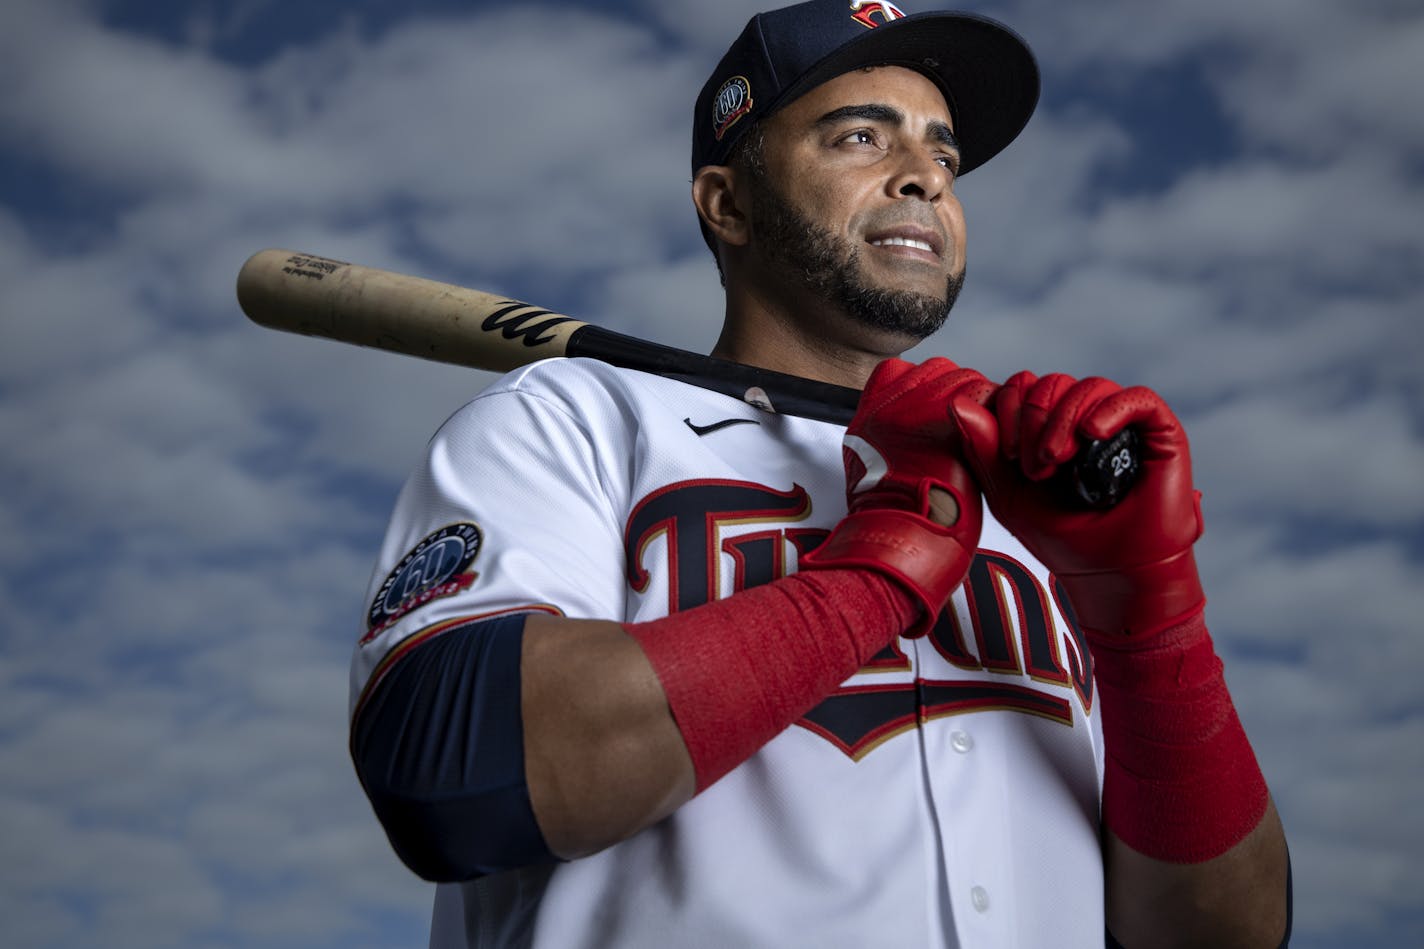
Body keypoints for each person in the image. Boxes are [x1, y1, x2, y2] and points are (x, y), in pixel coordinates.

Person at [348, 2, 1292, 946]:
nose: (923, 176)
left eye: (944, 155)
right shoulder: (577, 419)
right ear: (729, 203)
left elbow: (1227, 936)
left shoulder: (1039, 502)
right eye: (860, 136)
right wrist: (883, 567)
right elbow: (453, 772)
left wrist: (1149, 620)